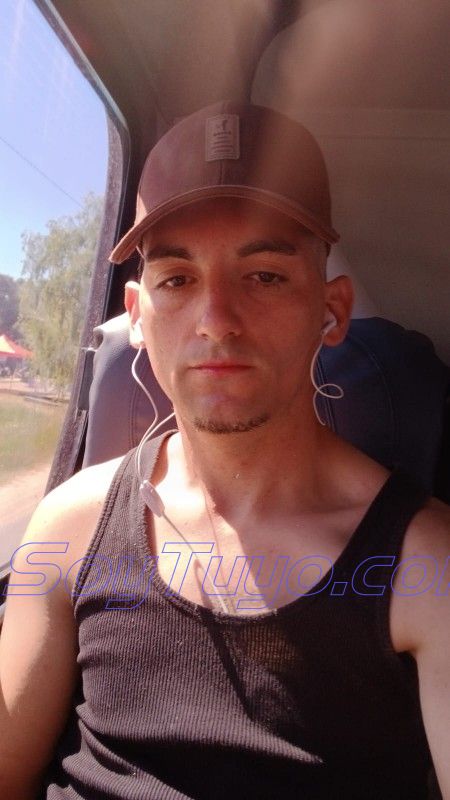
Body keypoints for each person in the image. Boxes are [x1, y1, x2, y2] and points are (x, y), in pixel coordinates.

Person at [0, 102, 448, 799]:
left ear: (331, 310)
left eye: (264, 276)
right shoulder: (68, 526)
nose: (216, 320)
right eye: (177, 280)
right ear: (137, 316)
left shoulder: (427, 563)